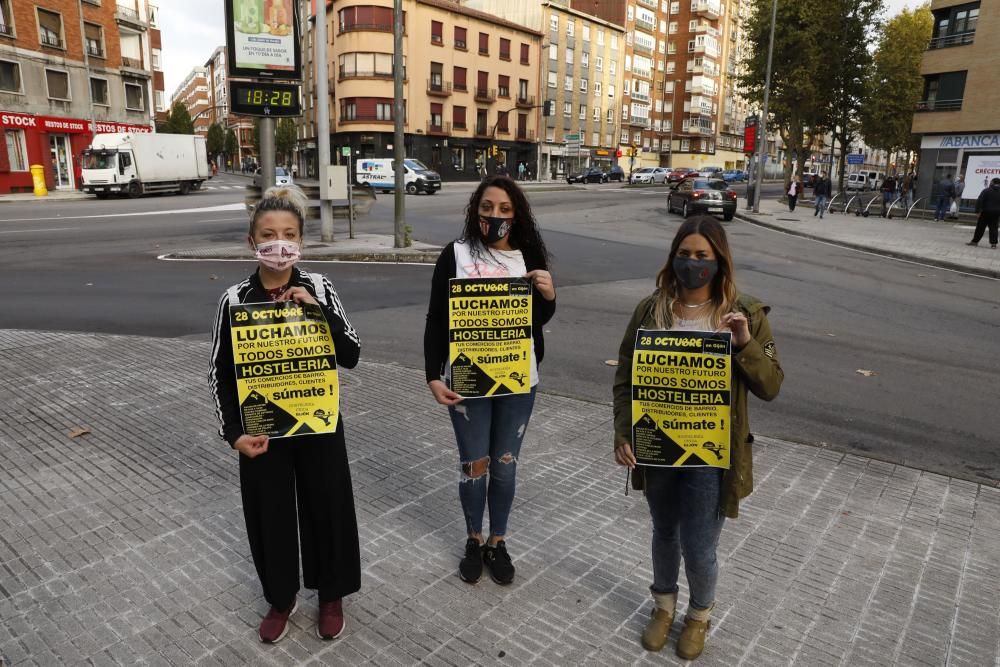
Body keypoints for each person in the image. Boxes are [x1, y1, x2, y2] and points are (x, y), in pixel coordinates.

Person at [612, 216, 783, 660]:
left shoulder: (746, 314)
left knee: (700, 544)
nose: (692, 264)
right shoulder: (651, 310)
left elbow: (771, 384)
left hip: (710, 454)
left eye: (702, 256)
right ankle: (663, 607)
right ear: (673, 258)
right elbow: (626, 378)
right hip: (657, 447)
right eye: (684, 255)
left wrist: (744, 344)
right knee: (664, 532)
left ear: (720, 261)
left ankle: (699, 616)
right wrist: (623, 431)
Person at [209, 186, 362, 644]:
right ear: (252, 242)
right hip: (262, 428)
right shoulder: (234, 299)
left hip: (316, 421)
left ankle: (331, 593)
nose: (280, 244)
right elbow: (220, 373)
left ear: (301, 241)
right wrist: (233, 433)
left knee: (328, 505)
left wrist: (320, 315)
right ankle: (280, 597)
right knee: (268, 513)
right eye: (269, 235)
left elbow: (351, 353)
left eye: (289, 234)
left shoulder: (320, 287)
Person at [423, 175, 556, 586]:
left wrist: (549, 297)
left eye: (503, 209)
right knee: (472, 466)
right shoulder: (456, 255)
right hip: (466, 382)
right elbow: (436, 318)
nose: (494, 216)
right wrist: (432, 374)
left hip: (517, 382)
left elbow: (534, 322)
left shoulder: (528, 254)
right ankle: (473, 538)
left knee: (504, 467)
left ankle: (497, 540)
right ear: (474, 211)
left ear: (516, 215)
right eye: (486, 208)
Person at [967, 177, 1000, 249]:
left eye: (991, 181)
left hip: (985, 212)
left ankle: (975, 242)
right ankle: (993, 244)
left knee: (980, 227)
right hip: (996, 213)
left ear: (992, 182)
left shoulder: (986, 190)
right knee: (994, 228)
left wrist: (978, 211)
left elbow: (980, 201)